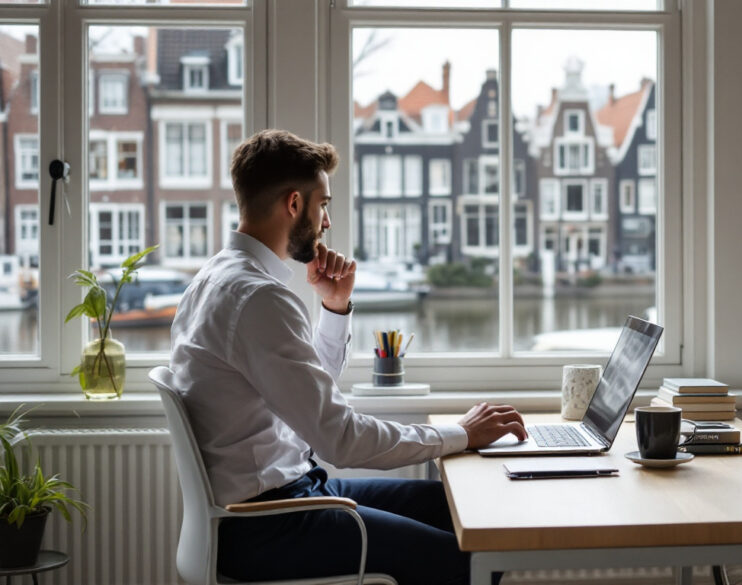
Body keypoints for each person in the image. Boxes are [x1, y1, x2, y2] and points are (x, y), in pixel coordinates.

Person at [169, 129, 527, 585]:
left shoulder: (213, 280)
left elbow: (309, 399)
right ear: (294, 204)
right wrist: (461, 434)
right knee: (473, 558)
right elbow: (341, 437)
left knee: (461, 509)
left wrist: (334, 307)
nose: (327, 222)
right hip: (267, 525)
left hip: (285, 496)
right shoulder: (258, 298)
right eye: (323, 205)